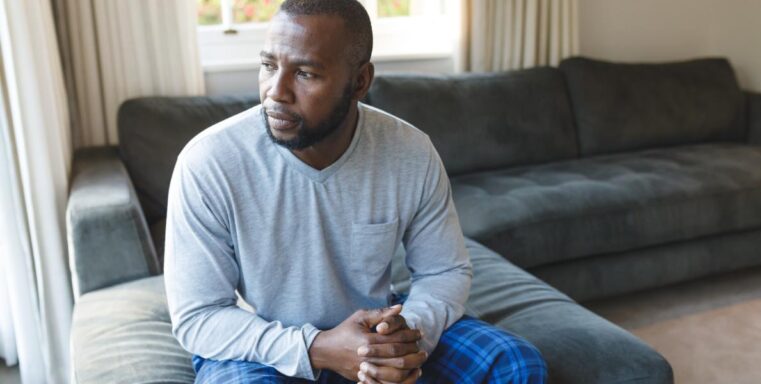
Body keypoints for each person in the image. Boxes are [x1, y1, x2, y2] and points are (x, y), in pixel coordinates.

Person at [164, 0, 547, 383]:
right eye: (268, 66)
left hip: (376, 327)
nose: (276, 92)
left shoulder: (409, 151)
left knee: (516, 364)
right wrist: (319, 347)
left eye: (306, 73)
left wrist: (396, 341)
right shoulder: (209, 161)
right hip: (260, 340)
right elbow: (199, 316)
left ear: (360, 81)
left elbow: (444, 270)